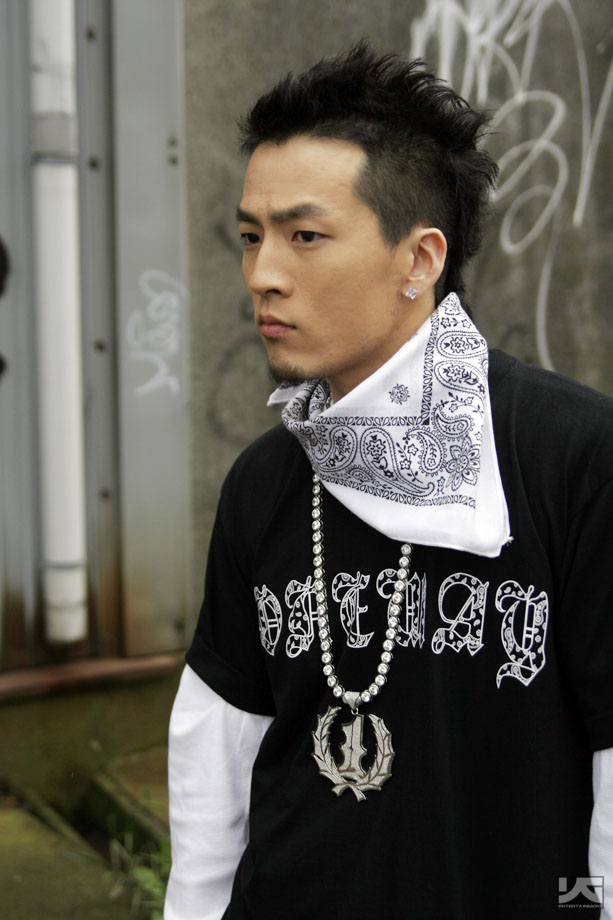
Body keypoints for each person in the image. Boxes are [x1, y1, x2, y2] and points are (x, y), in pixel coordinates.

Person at [165, 42, 613, 919]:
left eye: (304, 236)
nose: (262, 274)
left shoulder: (571, 456)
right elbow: (216, 752)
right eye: (251, 237)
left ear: (419, 259)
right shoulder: (263, 481)